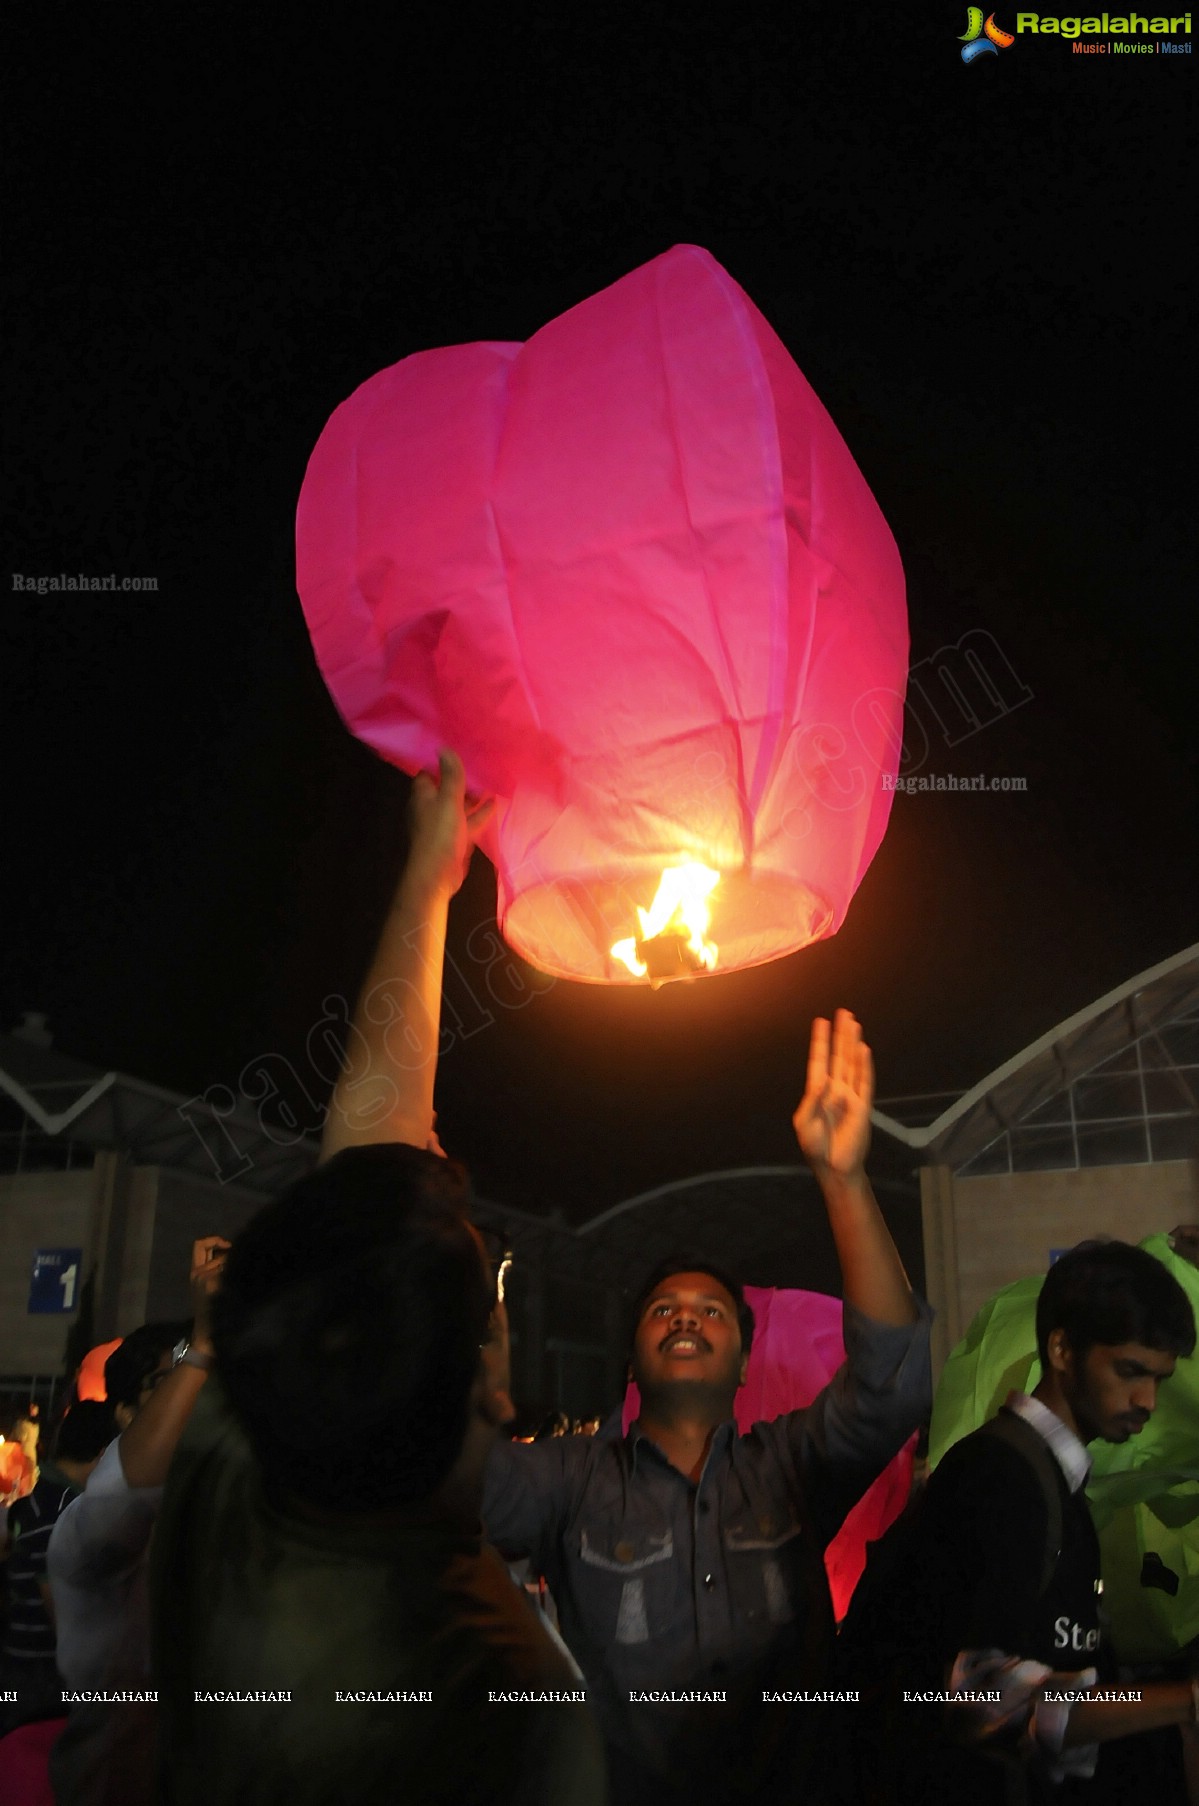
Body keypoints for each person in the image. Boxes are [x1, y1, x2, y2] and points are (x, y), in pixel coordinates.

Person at [150, 753, 605, 1806]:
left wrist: (427, 877)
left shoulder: (238, 1472)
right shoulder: (501, 1691)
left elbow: (374, 1136)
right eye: (486, 1296)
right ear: (486, 1394)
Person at [481, 1010, 931, 1802]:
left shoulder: (790, 1467)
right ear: (632, 1355)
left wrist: (843, 1180)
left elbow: (891, 1385)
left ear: (744, 1359)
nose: (686, 1315)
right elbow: (451, 1482)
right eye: (663, 1308)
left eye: (711, 1309)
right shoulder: (568, 1480)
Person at [836, 1239, 1199, 1806]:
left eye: (1159, 1378)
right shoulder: (1002, 1478)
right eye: (1130, 1371)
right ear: (1061, 1349)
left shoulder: (1044, 1477)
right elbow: (991, 1700)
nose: (1147, 1400)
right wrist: (1188, 1701)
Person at [46, 1252, 228, 1806]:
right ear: (125, 1414)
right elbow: (130, 1492)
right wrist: (200, 1346)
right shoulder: (88, 1529)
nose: (194, 1401)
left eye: (205, 1384)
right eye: (165, 1385)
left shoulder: (229, 1515)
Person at [0, 1401, 114, 1734]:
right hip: (43, 1677)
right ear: (103, 1453)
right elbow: (61, 1607)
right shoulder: (64, 1507)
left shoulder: (43, 1500)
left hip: (24, 1666)